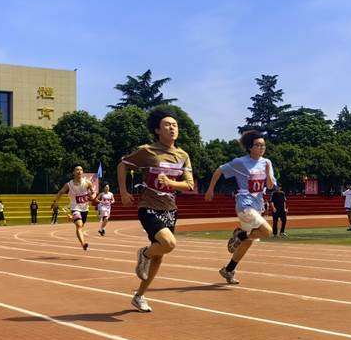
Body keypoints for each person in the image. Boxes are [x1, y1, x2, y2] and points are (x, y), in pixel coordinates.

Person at [117, 106, 193, 312]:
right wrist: (123, 192)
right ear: (157, 130)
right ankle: (144, 254)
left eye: (175, 125)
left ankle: (139, 295)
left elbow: (189, 185)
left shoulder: (183, 155)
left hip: (170, 209)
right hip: (149, 206)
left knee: (159, 256)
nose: (172, 128)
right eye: (167, 125)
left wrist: (170, 182)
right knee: (169, 243)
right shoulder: (147, 151)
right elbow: (122, 165)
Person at [205, 130, 275, 285]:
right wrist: (210, 189)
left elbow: (270, 186)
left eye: (263, 145)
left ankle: (228, 269)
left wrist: (268, 172)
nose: (261, 148)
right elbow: (219, 170)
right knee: (267, 231)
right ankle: (240, 235)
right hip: (244, 204)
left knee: (248, 242)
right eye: (258, 145)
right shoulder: (240, 162)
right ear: (250, 147)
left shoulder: (267, 163)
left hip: (258, 204)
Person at [56, 165, 96, 251]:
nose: (79, 171)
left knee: (81, 226)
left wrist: (93, 196)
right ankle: (83, 243)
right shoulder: (69, 185)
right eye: (77, 170)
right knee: (79, 225)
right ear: (73, 172)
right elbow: (60, 192)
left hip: (85, 208)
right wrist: (56, 202)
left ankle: (72, 219)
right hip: (75, 207)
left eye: (81, 170)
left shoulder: (87, 183)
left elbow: (93, 192)